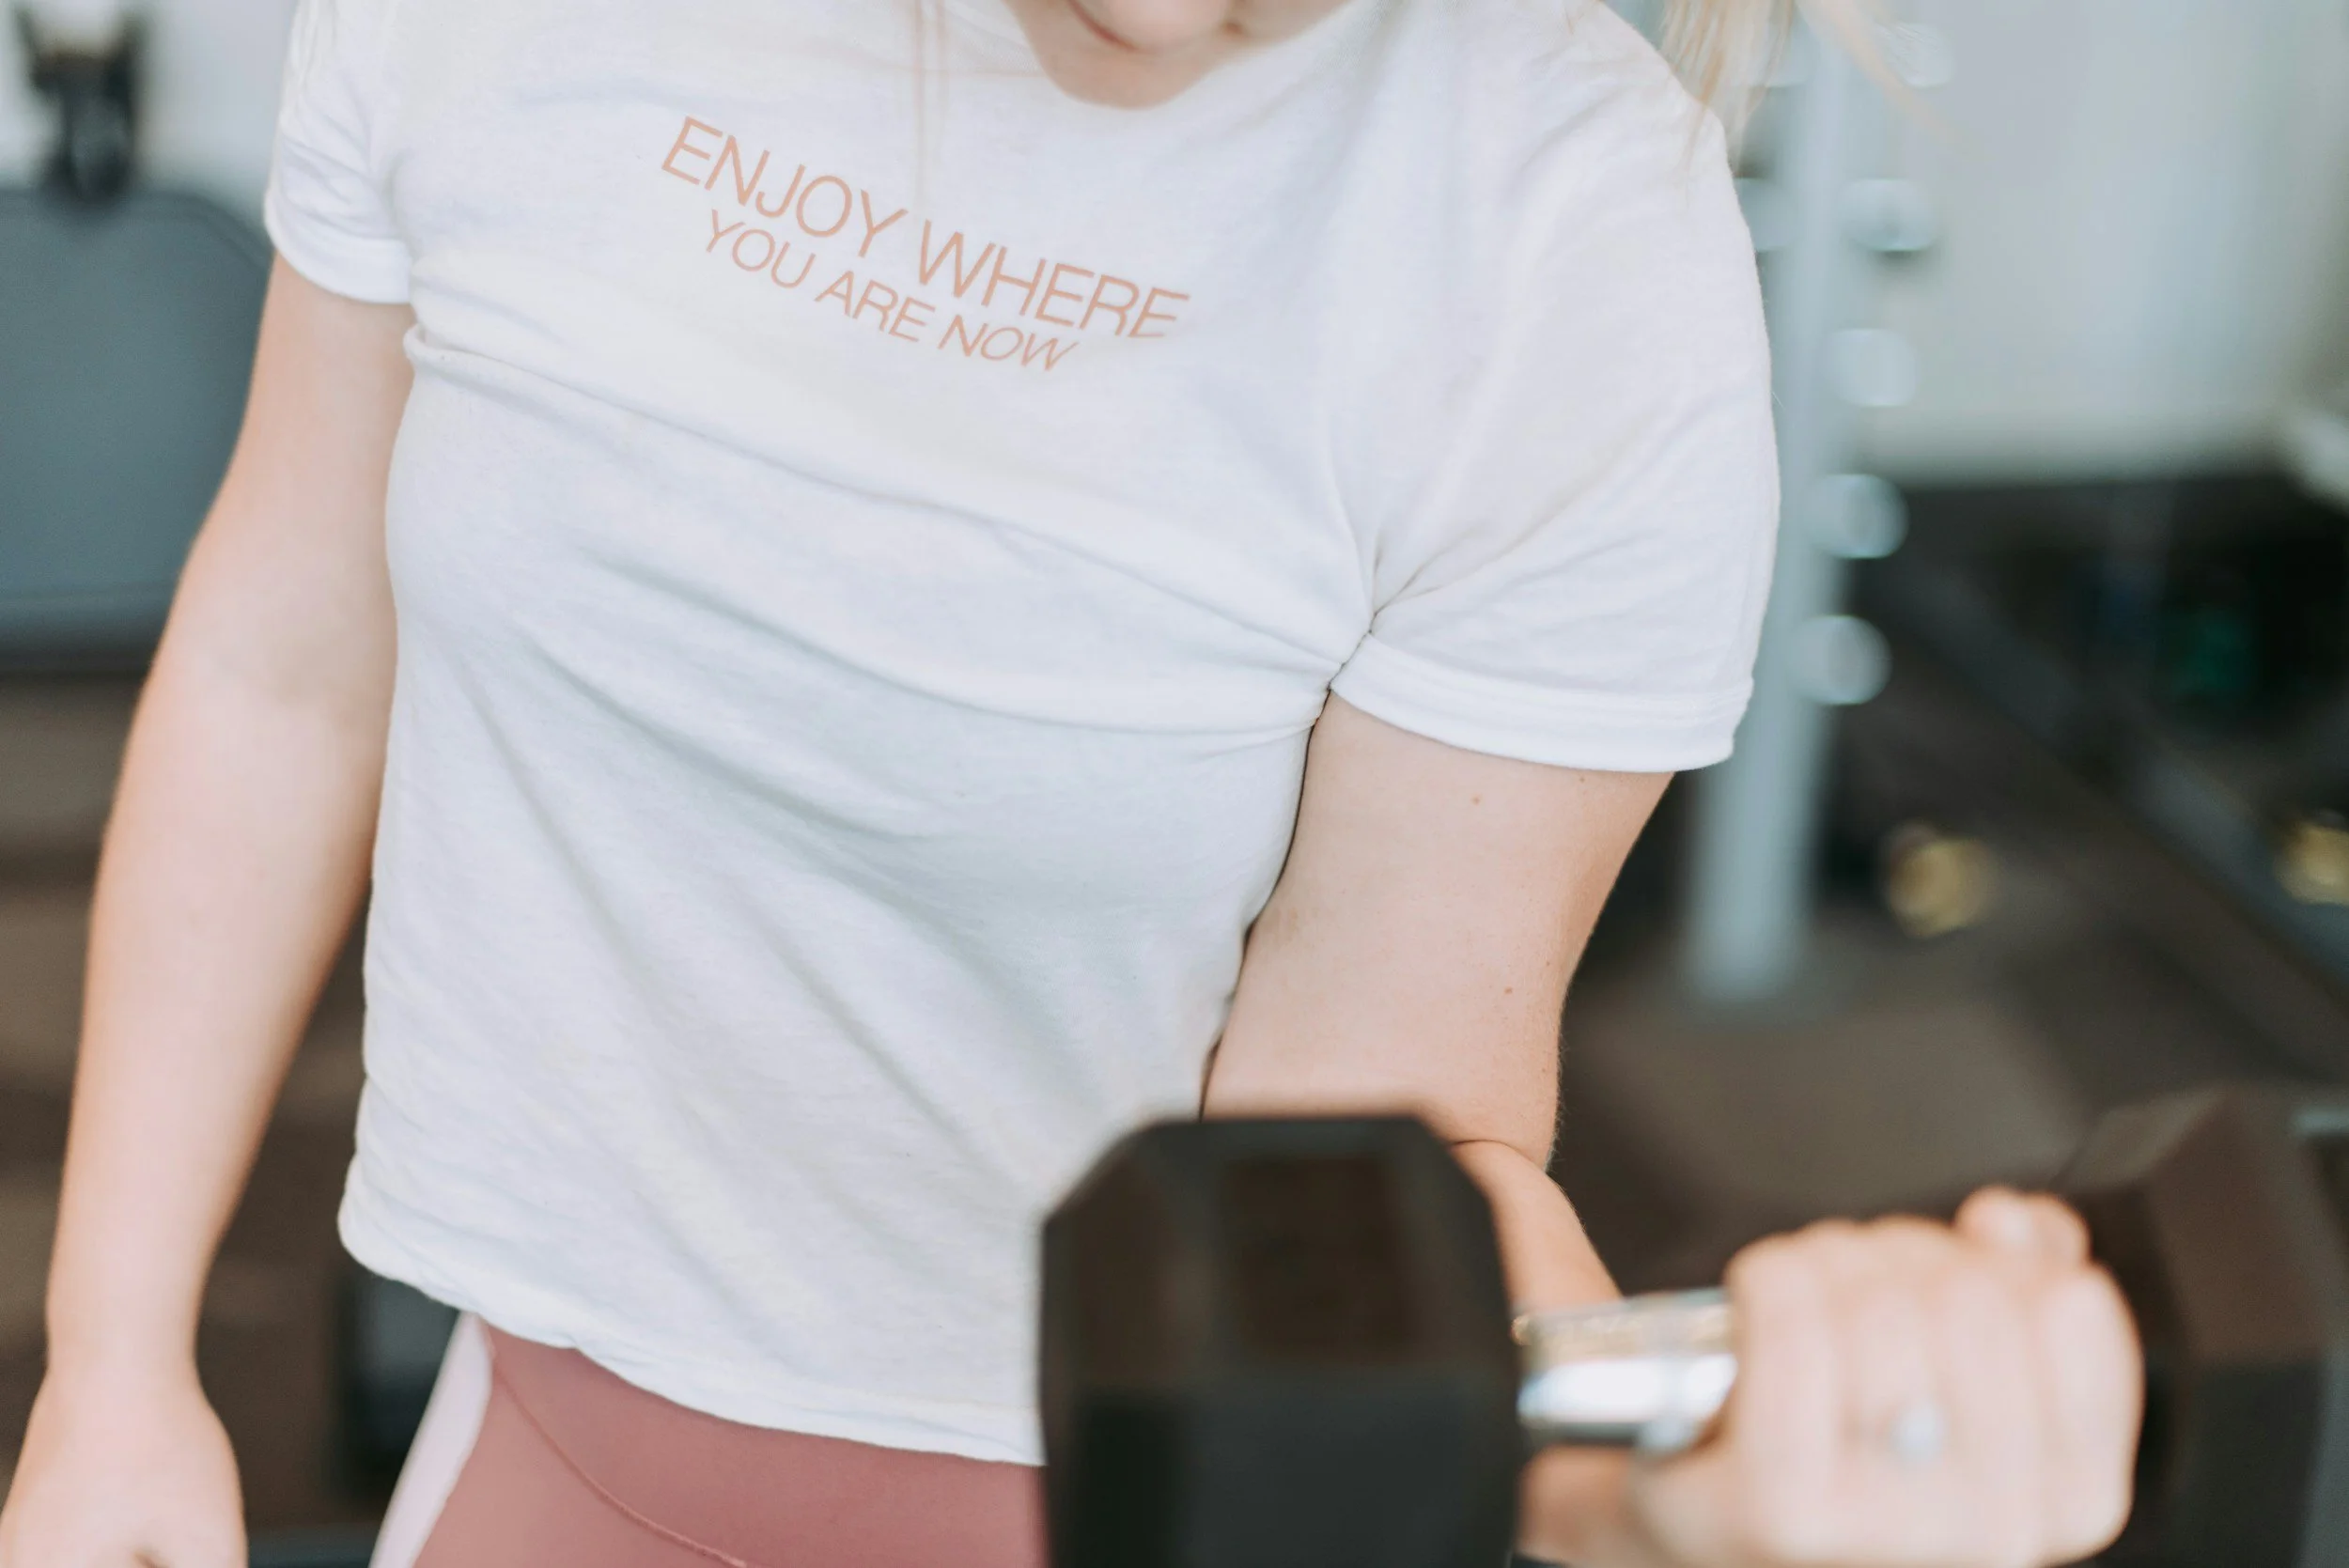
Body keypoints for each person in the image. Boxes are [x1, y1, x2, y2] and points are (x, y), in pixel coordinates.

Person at [0, 0, 2142, 1564]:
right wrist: (110, 1355)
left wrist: (1642, 1490)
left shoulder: (1560, 239)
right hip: (542, 1434)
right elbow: (289, 663)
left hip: (1144, 1499)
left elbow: (1376, 1131)